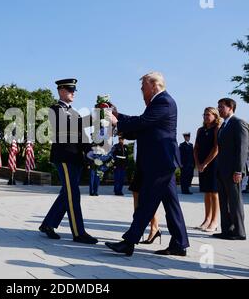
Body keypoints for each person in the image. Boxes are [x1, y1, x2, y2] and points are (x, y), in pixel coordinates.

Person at [105, 72, 189, 257]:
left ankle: (129, 242)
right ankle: (179, 243)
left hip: (160, 161)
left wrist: (117, 122)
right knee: (171, 204)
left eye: (143, 86)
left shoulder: (164, 101)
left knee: (147, 202)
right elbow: (143, 128)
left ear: (153, 85)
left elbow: (142, 122)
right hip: (162, 161)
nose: (141, 90)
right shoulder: (158, 103)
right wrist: (117, 115)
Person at [39, 78, 98, 244]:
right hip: (64, 157)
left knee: (67, 193)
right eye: (70, 90)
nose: (73, 93)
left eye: (74, 90)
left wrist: (90, 152)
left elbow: (83, 135)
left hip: (76, 159)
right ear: (61, 91)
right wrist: (94, 118)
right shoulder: (55, 109)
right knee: (73, 195)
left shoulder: (75, 112)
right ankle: (79, 233)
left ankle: (48, 224)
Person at [214, 98, 249, 241]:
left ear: (231, 108)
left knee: (234, 201)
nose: (219, 109)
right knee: (223, 201)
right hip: (222, 170)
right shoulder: (223, 126)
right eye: (218, 107)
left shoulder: (238, 123)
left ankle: (239, 232)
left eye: (222, 107)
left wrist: (239, 170)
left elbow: (242, 149)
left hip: (233, 171)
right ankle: (227, 230)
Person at [193, 107, 221, 232]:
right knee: (206, 192)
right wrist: (198, 163)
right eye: (204, 114)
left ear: (215, 116)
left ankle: (215, 221)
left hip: (213, 164)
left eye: (208, 114)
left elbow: (216, 148)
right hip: (202, 164)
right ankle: (207, 219)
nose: (205, 117)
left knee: (214, 193)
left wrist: (205, 163)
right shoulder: (200, 130)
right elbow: (196, 148)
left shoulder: (217, 129)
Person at [128, 158, 161, 245]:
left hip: (150, 163)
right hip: (141, 163)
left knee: (148, 197)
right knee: (136, 192)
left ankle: (146, 228)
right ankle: (141, 228)